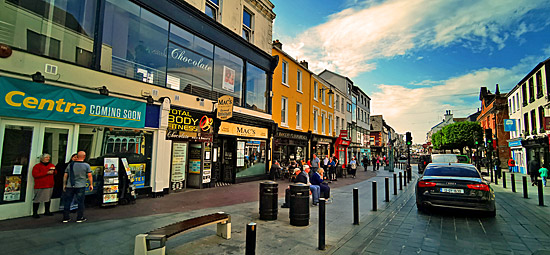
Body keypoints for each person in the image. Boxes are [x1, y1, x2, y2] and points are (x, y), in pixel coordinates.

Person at [62, 151, 93, 223]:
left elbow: (65, 175)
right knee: (80, 202)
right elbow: (89, 175)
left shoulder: (70, 165)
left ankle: (66, 217)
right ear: (84, 156)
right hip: (80, 186)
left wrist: (64, 184)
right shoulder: (86, 165)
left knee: (67, 202)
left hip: (70, 185)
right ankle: (80, 217)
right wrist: (91, 184)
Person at [31, 153, 57, 218]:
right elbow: (35, 175)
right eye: (46, 158)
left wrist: (54, 171)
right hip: (40, 185)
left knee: (48, 198)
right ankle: (35, 212)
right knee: (37, 199)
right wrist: (46, 173)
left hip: (49, 184)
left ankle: (47, 211)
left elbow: (55, 172)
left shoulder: (51, 165)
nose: (48, 159)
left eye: (48, 158)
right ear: (42, 159)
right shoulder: (37, 166)